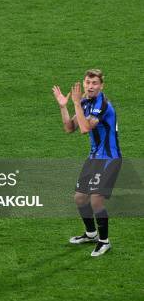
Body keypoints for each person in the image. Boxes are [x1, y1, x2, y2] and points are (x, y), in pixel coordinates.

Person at [52, 69, 121, 257]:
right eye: (88, 83)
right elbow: (69, 128)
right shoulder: (84, 102)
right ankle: (91, 234)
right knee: (80, 198)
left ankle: (104, 241)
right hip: (94, 157)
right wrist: (63, 106)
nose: (90, 86)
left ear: (101, 86)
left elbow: (84, 128)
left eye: (94, 83)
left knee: (96, 199)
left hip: (109, 158)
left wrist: (76, 103)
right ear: (84, 84)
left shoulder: (102, 104)